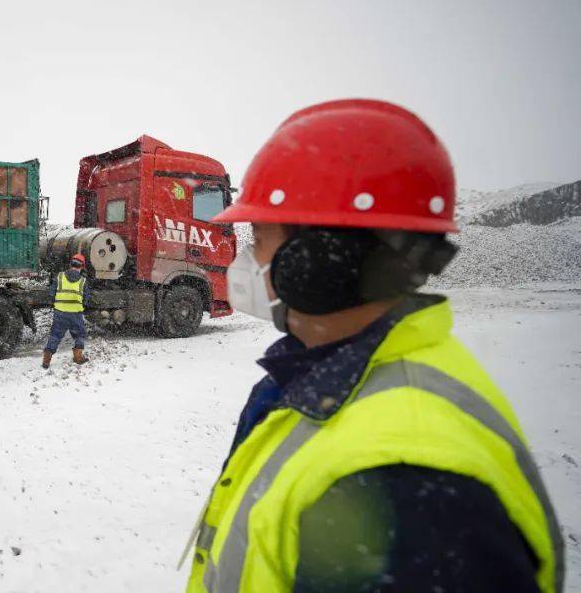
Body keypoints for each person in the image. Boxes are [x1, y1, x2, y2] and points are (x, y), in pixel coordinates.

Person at [184, 99, 563, 592]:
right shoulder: (323, 380)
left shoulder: (408, 482)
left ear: (320, 258)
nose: (247, 259)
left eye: (258, 237)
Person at [43, 253, 90, 368]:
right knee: (79, 334)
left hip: (60, 312)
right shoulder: (83, 281)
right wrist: (80, 306)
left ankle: (46, 359)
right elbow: (86, 299)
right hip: (75, 314)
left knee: (55, 335)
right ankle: (78, 357)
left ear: (70, 264)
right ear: (82, 267)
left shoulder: (59, 277)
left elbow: (51, 293)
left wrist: (57, 304)